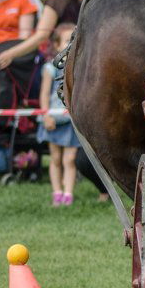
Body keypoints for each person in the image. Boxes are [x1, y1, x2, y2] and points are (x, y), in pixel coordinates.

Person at [36, 24, 108, 206]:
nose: (70, 44)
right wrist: (46, 115)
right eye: (67, 40)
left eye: (73, 40)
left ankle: (68, 194)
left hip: (70, 121)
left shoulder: (79, 68)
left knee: (69, 159)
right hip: (53, 119)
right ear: (57, 45)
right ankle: (57, 192)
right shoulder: (49, 69)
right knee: (55, 158)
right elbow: (44, 94)